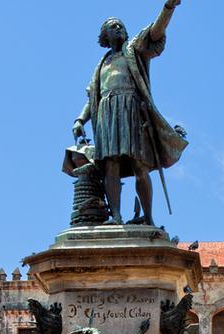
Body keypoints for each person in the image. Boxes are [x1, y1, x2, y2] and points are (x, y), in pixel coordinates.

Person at [72, 1, 187, 226]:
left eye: (121, 26)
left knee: (139, 165)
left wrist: (168, 8)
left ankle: (148, 218)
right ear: (105, 36)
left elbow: (155, 31)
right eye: (114, 26)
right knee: (110, 165)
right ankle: (115, 216)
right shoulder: (102, 64)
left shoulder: (133, 50)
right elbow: (92, 97)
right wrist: (79, 119)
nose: (120, 29)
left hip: (131, 110)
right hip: (106, 113)